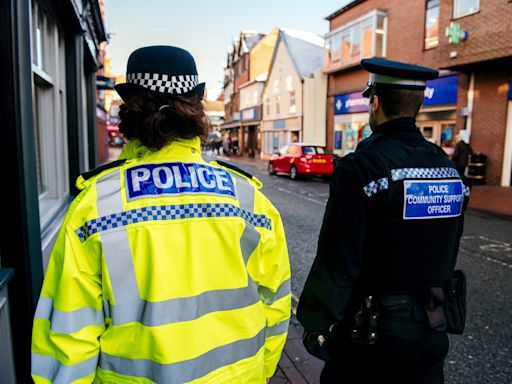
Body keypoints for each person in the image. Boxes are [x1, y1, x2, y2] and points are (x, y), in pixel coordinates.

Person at [32, 45, 291, 384]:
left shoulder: (96, 207)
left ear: (132, 112)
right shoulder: (250, 200)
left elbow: (69, 340)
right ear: (196, 109)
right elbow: (275, 304)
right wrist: (258, 372)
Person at [297, 58, 470, 384]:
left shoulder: (360, 168)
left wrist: (317, 321)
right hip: (431, 329)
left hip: (371, 336)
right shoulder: (449, 171)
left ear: (374, 101)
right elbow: (449, 244)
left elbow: (338, 257)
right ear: (418, 105)